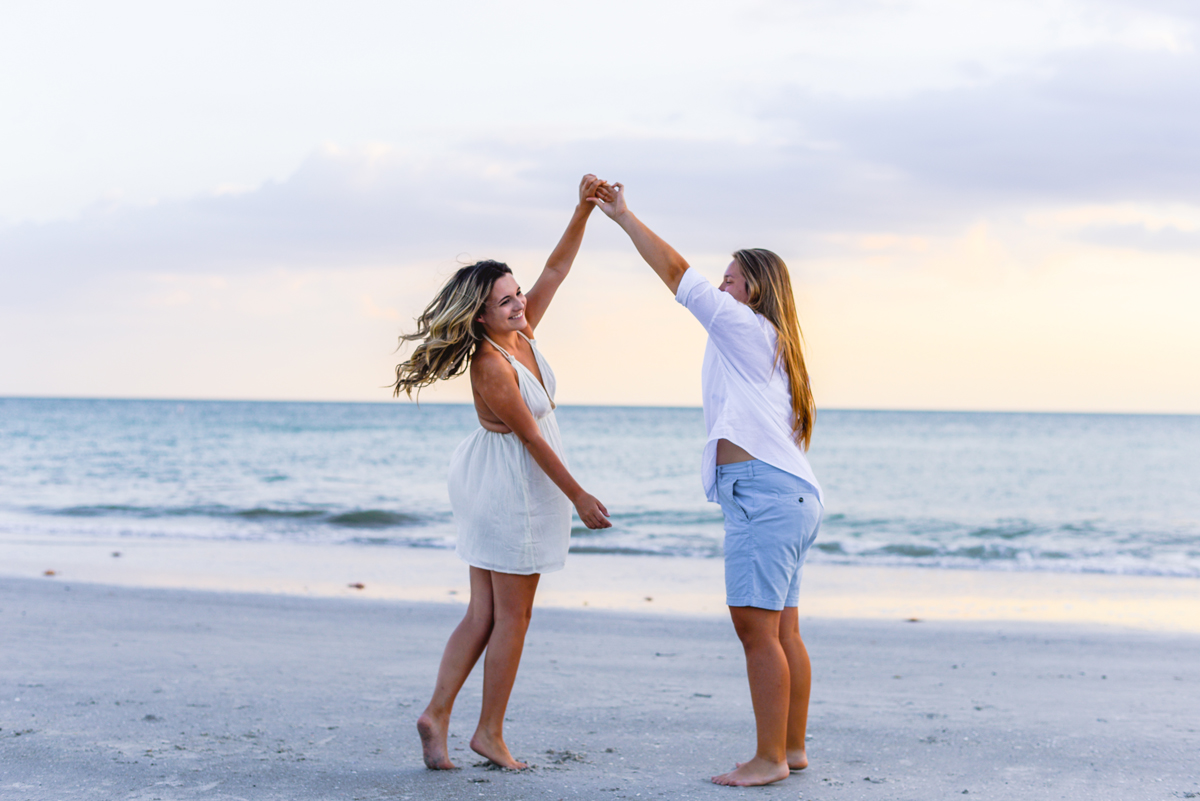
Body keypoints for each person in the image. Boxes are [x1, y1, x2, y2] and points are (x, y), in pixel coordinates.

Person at [590, 182, 823, 787]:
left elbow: (675, 272)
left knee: (755, 629)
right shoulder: (776, 345)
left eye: (731, 280)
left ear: (753, 292)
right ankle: (790, 750)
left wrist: (621, 216)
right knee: (783, 629)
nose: (720, 288)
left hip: (763, 495)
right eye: (722, 281)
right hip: (792, 496)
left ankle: (769, 758)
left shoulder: (743, 326)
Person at [395, 175, 612, 771]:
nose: (519, 304)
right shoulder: (492, 363)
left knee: (486, 612)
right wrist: (580, 496)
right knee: (510, 614)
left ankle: (437, 715)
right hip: (511, 487)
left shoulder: (520, 333)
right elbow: (532, 438)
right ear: (481, 314)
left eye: (517, 294)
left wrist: (582, 212)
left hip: (501, 479)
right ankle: (488, 732)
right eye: (506, 301)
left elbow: (557, 269)